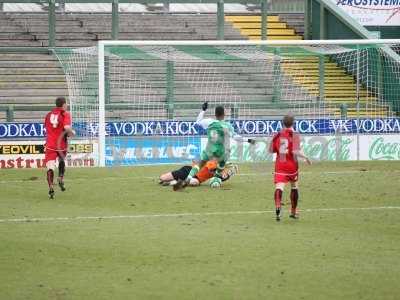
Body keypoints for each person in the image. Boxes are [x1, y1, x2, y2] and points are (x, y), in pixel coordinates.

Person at [173, 102, 255, 190]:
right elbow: (235, 137)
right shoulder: (227, 125)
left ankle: (188, 179)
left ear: (215, 114)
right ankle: (216, 180)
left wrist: (203, 110)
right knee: (221, 164)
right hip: (222, 151)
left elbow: (198, 121)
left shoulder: (209, 122)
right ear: (224, 114)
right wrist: (248, 140)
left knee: (199, 164)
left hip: (210, 148)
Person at [269, 114, 311, 221]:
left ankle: (278, 206)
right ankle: (293, 211)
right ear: (293, 123)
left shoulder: (277, 134)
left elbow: (270, 150)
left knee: (279, 187)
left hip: (280, 165)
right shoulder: (295, 134)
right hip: (292, 165)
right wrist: (305, 157)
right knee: (294, 187)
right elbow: (296, 150)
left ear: (282, 123)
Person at [44, 97, 75, 199]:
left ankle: (51, 187)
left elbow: (47, 128)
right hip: (61, 144)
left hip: (50, 144)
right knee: (62, 160)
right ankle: (60, 177)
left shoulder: (48, 115)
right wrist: (72, 133)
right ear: (63, 105)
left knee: (50, 167)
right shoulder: (65, 114)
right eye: (66, 104)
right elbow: (66, 128)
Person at [159, 160, 238, 187]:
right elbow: (212, 171)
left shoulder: (222, 169)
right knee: (162, 178)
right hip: (188, 171)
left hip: (197, 179)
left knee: (195, 182)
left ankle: (171, 183)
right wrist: (222, 173)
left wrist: (228, 174)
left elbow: (220, 178)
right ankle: (171, 180)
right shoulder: (213, 162)